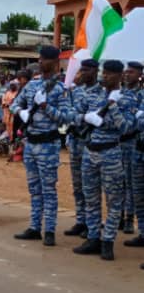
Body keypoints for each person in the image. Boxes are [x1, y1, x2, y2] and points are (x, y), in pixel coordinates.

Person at [72, 59, 132, 261]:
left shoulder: (126, 98)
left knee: (114, 200)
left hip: (111, 153)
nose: (104, 76)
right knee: (91, 198)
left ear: (119, 76)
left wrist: (113, 107)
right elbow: (74, 115)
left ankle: (108, 241)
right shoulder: (92, 94)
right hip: (91, 152)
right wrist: (86, 117)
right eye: (103, 73)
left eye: (109, 74)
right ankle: (93, 238)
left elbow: (126, 128)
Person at [11, 45, 65, 246]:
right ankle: (34, 227)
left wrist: (46, 107)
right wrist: (21, 112)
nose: (41, 62)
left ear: (55, 62)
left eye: (45, 59)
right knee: (34, 188)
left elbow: (66, 117)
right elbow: (14, 104)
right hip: (31, 144)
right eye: (40, 58)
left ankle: (49, 230)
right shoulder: (31, 86)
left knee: (48, 189)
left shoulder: (60, 89)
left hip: (48, 145)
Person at [63, 58, 99, 238]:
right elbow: (69, 114)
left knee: (91, 186)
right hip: (76, 141)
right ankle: (81, 220)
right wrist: (82, 117)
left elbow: (98, 118)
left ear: (95, 71)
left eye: (86, 70)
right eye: (81, 70)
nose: (82, 73)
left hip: (91, 144)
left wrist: (79, 117)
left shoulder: (102, 92)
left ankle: (93, 224)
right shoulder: (76, 92)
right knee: (77, 184)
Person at [119, 61, 143, 235]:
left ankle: (129, 219)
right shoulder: (118, 93)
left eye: (132, 72)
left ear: (139, 74)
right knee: (115, 182)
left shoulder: (141, 95)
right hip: (116, 143)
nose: (127, 75)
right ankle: (117, 217)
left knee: (130, 183)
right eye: (126, 72)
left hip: (132, 143)